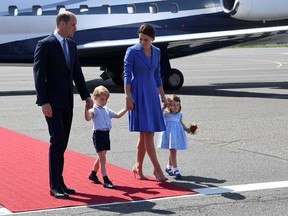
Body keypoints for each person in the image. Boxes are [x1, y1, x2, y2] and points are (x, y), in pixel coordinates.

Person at [33, 11, 93, 199]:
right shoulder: (45, 45)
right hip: (52, 103)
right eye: (73, 25)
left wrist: (86, 96)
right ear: (63, 24)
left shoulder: (72, 45)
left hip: (68, 102)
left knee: (63, 142)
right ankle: (55, 186)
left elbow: (77, 73)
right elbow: (38, 75)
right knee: (57, 141)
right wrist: (44, 102)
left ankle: (60, 182)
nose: (76, 28)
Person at [123, 23, 168, 182]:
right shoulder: (132, 51)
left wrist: (163, 96)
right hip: (138, 93)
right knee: (148, 132)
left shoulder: (157, 52)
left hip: (151, 93)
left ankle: (138, 166)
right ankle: (157, 169)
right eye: (140, 39)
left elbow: (157, 75)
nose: (142, 42)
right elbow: (127, 75)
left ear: (152, 39)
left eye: (146, 40)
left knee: (146, 134)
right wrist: (128, 96)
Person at [85, 85, 127, 189]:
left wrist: (126, 108)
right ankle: (106, 179)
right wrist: (86, 110)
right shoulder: (94, 110)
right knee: (103, 158)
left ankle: (93, 174)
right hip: (98, 134)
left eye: (106, 99)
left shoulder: (106, 109)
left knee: (101, 157)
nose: (104, 101)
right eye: (102, 99)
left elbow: (117, 115)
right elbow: (88, 118)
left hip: (106, 134)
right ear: (95, 98)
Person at [157, 94, 191, 180]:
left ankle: (168, 167)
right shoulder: (166, 114)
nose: (176, 107)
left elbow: (181, 123)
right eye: (173, 105)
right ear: (169, 106)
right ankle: (176, 169)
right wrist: (163, 107)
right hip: (169, 135)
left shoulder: (179, 114)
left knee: (173, 151)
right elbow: (158, 115)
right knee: (173, 151)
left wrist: (187, 129)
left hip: (176, 134)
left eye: (177, 105)